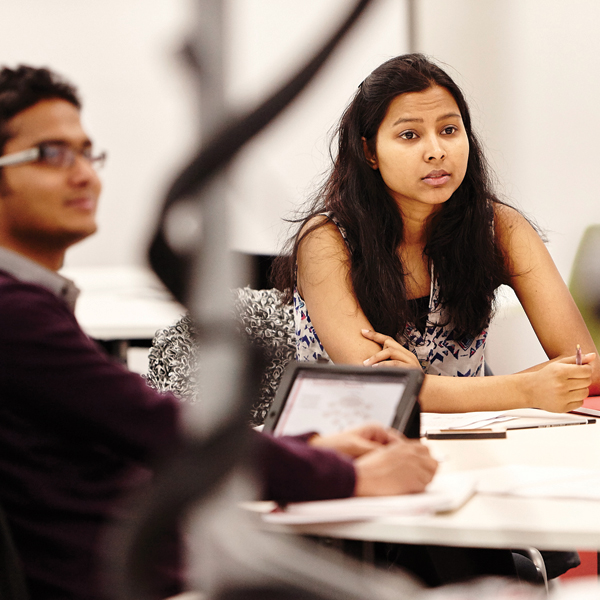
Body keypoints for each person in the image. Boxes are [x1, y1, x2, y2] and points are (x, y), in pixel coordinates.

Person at [0, 65, 437, 600]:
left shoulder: (28, 305)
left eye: (86, 153)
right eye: (51, 154)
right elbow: (159, 430)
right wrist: (350, 477)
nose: (85, 175)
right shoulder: (14, 313)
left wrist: (316, 446)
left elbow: (141, 436)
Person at [273, 53, 600, 413]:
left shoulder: (500, 228)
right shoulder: (326, 240)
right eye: (409, 135)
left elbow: (585, 366)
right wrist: (524, 389)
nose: (436, 151)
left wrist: (422, 386)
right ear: (369, 151)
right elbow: (380, 391)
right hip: (347, 451)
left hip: (475, 444)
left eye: (449, 130)